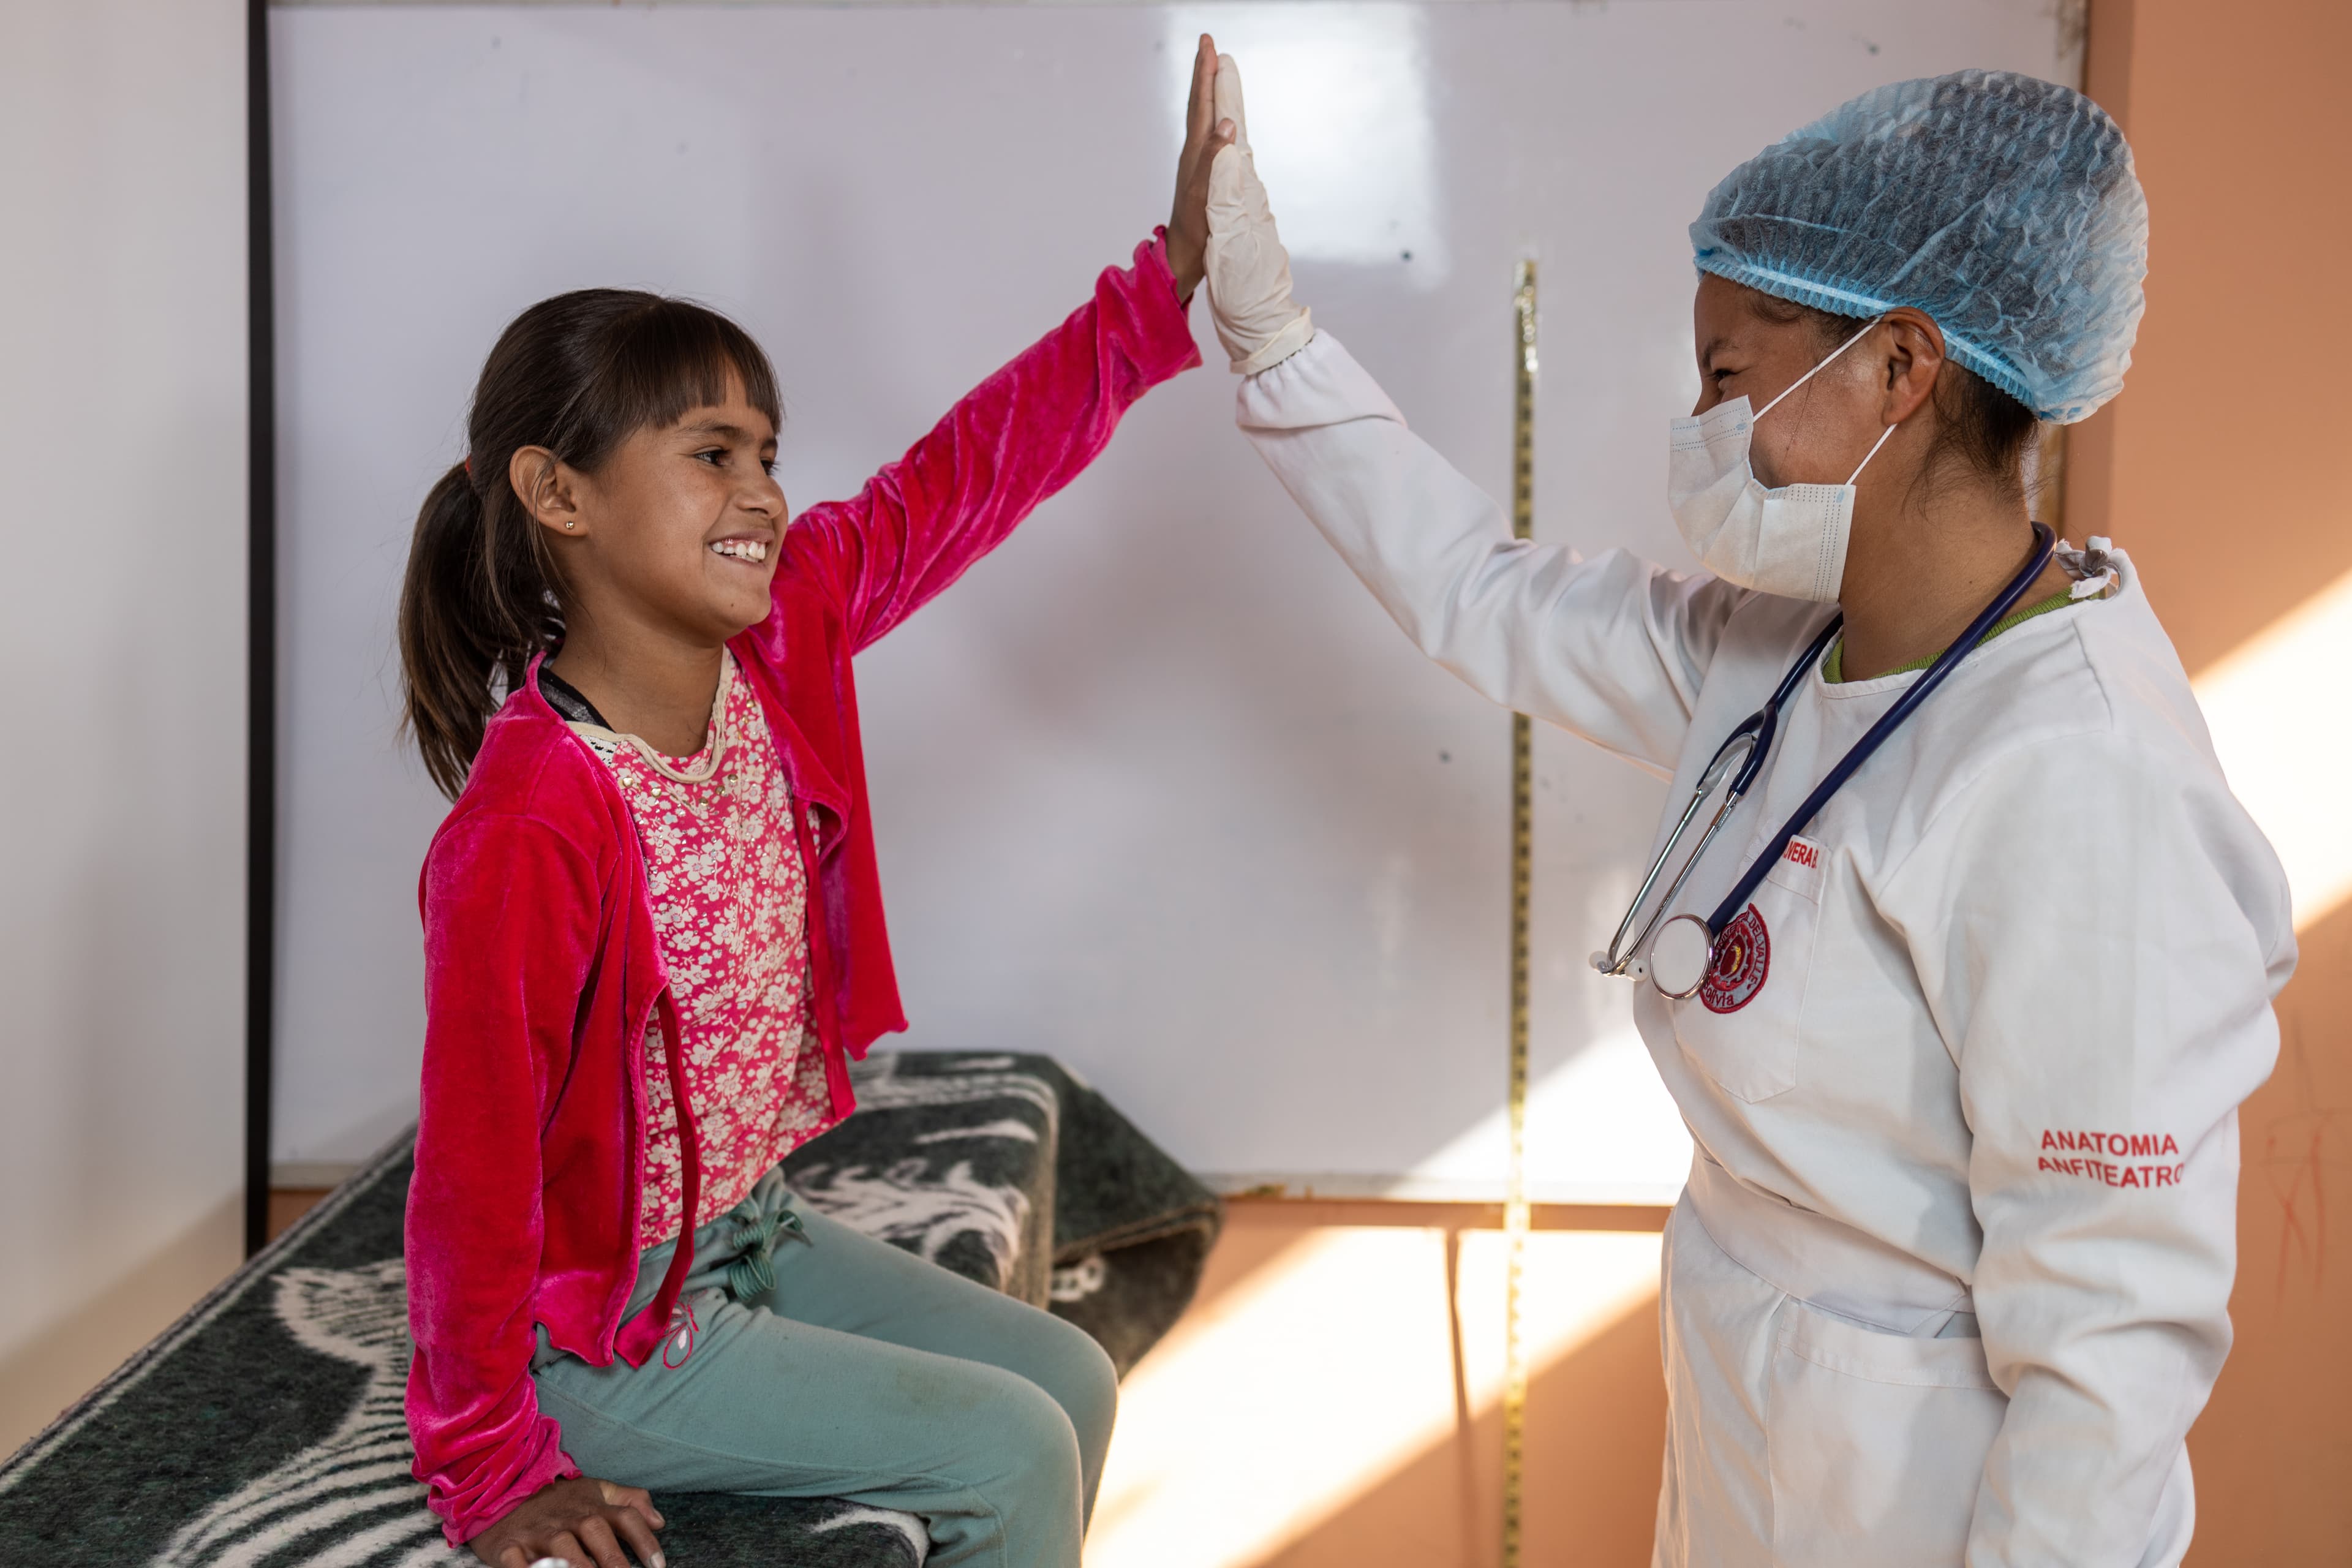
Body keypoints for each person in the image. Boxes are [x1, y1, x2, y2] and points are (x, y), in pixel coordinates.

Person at [1201, 62, 2295, 1566]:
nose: (1703, 429)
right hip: (1751, 1408)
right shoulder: (1782, 655)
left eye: (1730, 378)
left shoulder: (2077, 775)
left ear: (1903, 367)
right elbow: (1477, 591)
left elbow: (2110, 1354)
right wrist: (1273, 340)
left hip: (1927, 1486)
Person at [395, 39, 1240, 1568]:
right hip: (605, 1329)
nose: (767, 491)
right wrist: (488, 1465)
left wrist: (1166, 284)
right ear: (557, 494)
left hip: (747, 1237)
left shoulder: (782, 640)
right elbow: (469, 1178)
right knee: (1007, 1444)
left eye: (769, 453)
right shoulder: (530, 824)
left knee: (1068, 1369)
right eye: (712, 453)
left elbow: (960, 474)